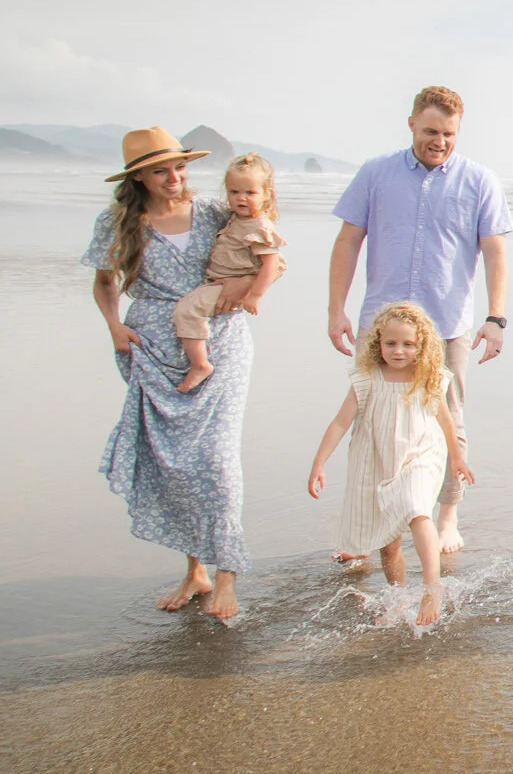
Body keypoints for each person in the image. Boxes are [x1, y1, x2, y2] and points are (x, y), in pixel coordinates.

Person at [329, 85, 512, 556]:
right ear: (411, 123)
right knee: (369, 419)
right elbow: (348, 241)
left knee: (449, 417)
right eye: (431, 131)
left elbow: (495, 253)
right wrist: (336, 309)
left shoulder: (479, 181)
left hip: (446, 325)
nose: (440, 141)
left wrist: (496, 317)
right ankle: (367, 526)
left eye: (449, 133)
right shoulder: (376, 173)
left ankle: (447, 515)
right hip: (380, 325)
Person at [84, 128, 256, 620]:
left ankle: (227, 574)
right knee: (175, 465)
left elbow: (264, 253)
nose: (174, 177)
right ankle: (195, 569)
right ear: (139, 177)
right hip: (154, 351)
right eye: (161, 171)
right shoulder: (118, 223)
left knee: (218, 461)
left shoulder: (216, 213)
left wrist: (244, 291)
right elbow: (104, 282)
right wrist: (114, 326)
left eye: (179, 167)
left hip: (220, 344)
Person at [306, 302, 474, 627]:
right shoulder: (366, 379)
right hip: (378, 461)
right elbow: (340, 422)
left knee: (417, 509)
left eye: (408, 344)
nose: (399, 351)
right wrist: (319, 463)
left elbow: (446, 421)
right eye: (391, 343)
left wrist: (457, 458)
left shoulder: (429, 378)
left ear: (421, 345)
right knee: (388, 543)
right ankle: (397, 600)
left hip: (420, 455)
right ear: (378, 343)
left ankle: (432, 589)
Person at [173, 153, 286, 392]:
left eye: (250, 193)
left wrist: (254, 294)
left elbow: (272, 263)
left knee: (187, 310)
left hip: (228, 285)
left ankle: (200, 365)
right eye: (234, 192)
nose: (241, 198)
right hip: (217, 281)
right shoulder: (235, 218)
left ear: (267, 195)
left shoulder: (260, 226)